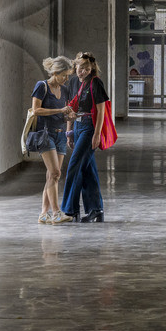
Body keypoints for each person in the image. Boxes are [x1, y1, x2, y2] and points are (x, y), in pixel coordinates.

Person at [58, 51, 109, 223]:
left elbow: (101, 110)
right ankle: (96, 210)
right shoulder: (73, 82)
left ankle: (69, 210)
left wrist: (97, 134)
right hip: (77, 126)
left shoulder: (96, 83)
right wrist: (69, 131)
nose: (83, 72)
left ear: (91, 68)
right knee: (87, 170)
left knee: (74, 165)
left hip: (89, 127)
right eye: (80, 68)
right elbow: (70, 108)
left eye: (87, 69)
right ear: (75, 67)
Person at [29, 56, 74, 224]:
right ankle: (56, 213)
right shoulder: (42, 86)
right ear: (55, 72)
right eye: (64, 75)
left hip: (60, 134)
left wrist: (70, 115)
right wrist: (58, 110)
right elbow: (36, 110)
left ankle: (43, 213)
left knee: (52, 175)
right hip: (45, 134)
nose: (67, 79)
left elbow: (65, 111)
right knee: (55, 173)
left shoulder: (65, 89)